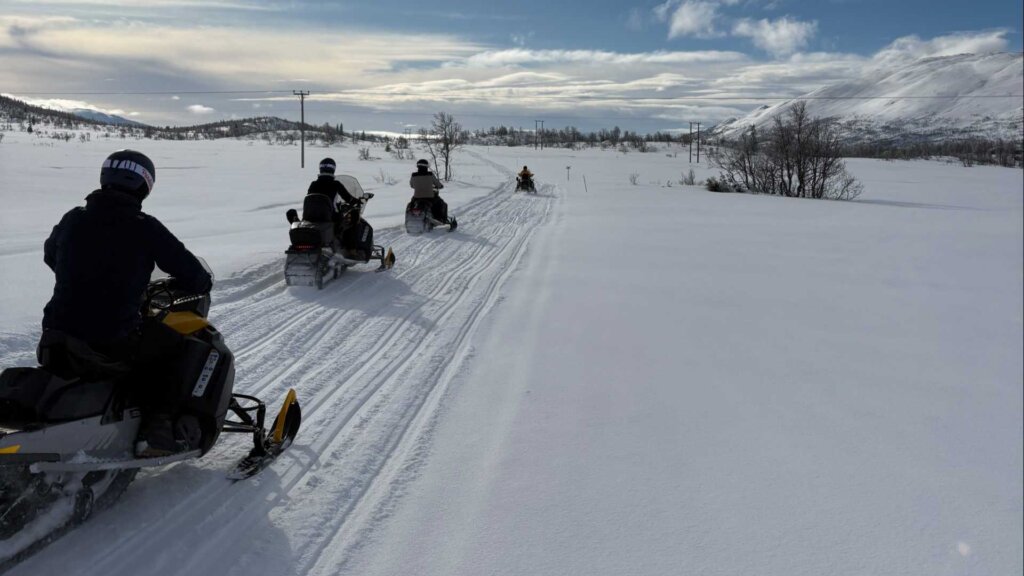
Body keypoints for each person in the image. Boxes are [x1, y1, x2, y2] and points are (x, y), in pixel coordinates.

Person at [40, 149, 212, 454]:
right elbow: (191, 272)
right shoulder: (145, 226)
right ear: (145, 184)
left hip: (56, 332)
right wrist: (198, 282)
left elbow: (51, 255)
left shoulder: (73, 218)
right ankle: (158, 427)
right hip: (111, 337)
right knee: (179, 346)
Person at [409, 159, 449, 224]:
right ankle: (442, 220)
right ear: (426, 166)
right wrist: (440, 186)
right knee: (443, 204)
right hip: (430, 197)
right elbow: (437, 184)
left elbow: (412, 185)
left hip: (417, 197)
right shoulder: (430, 174)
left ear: (418, 166)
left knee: (411, 204)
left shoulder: (413, 175)